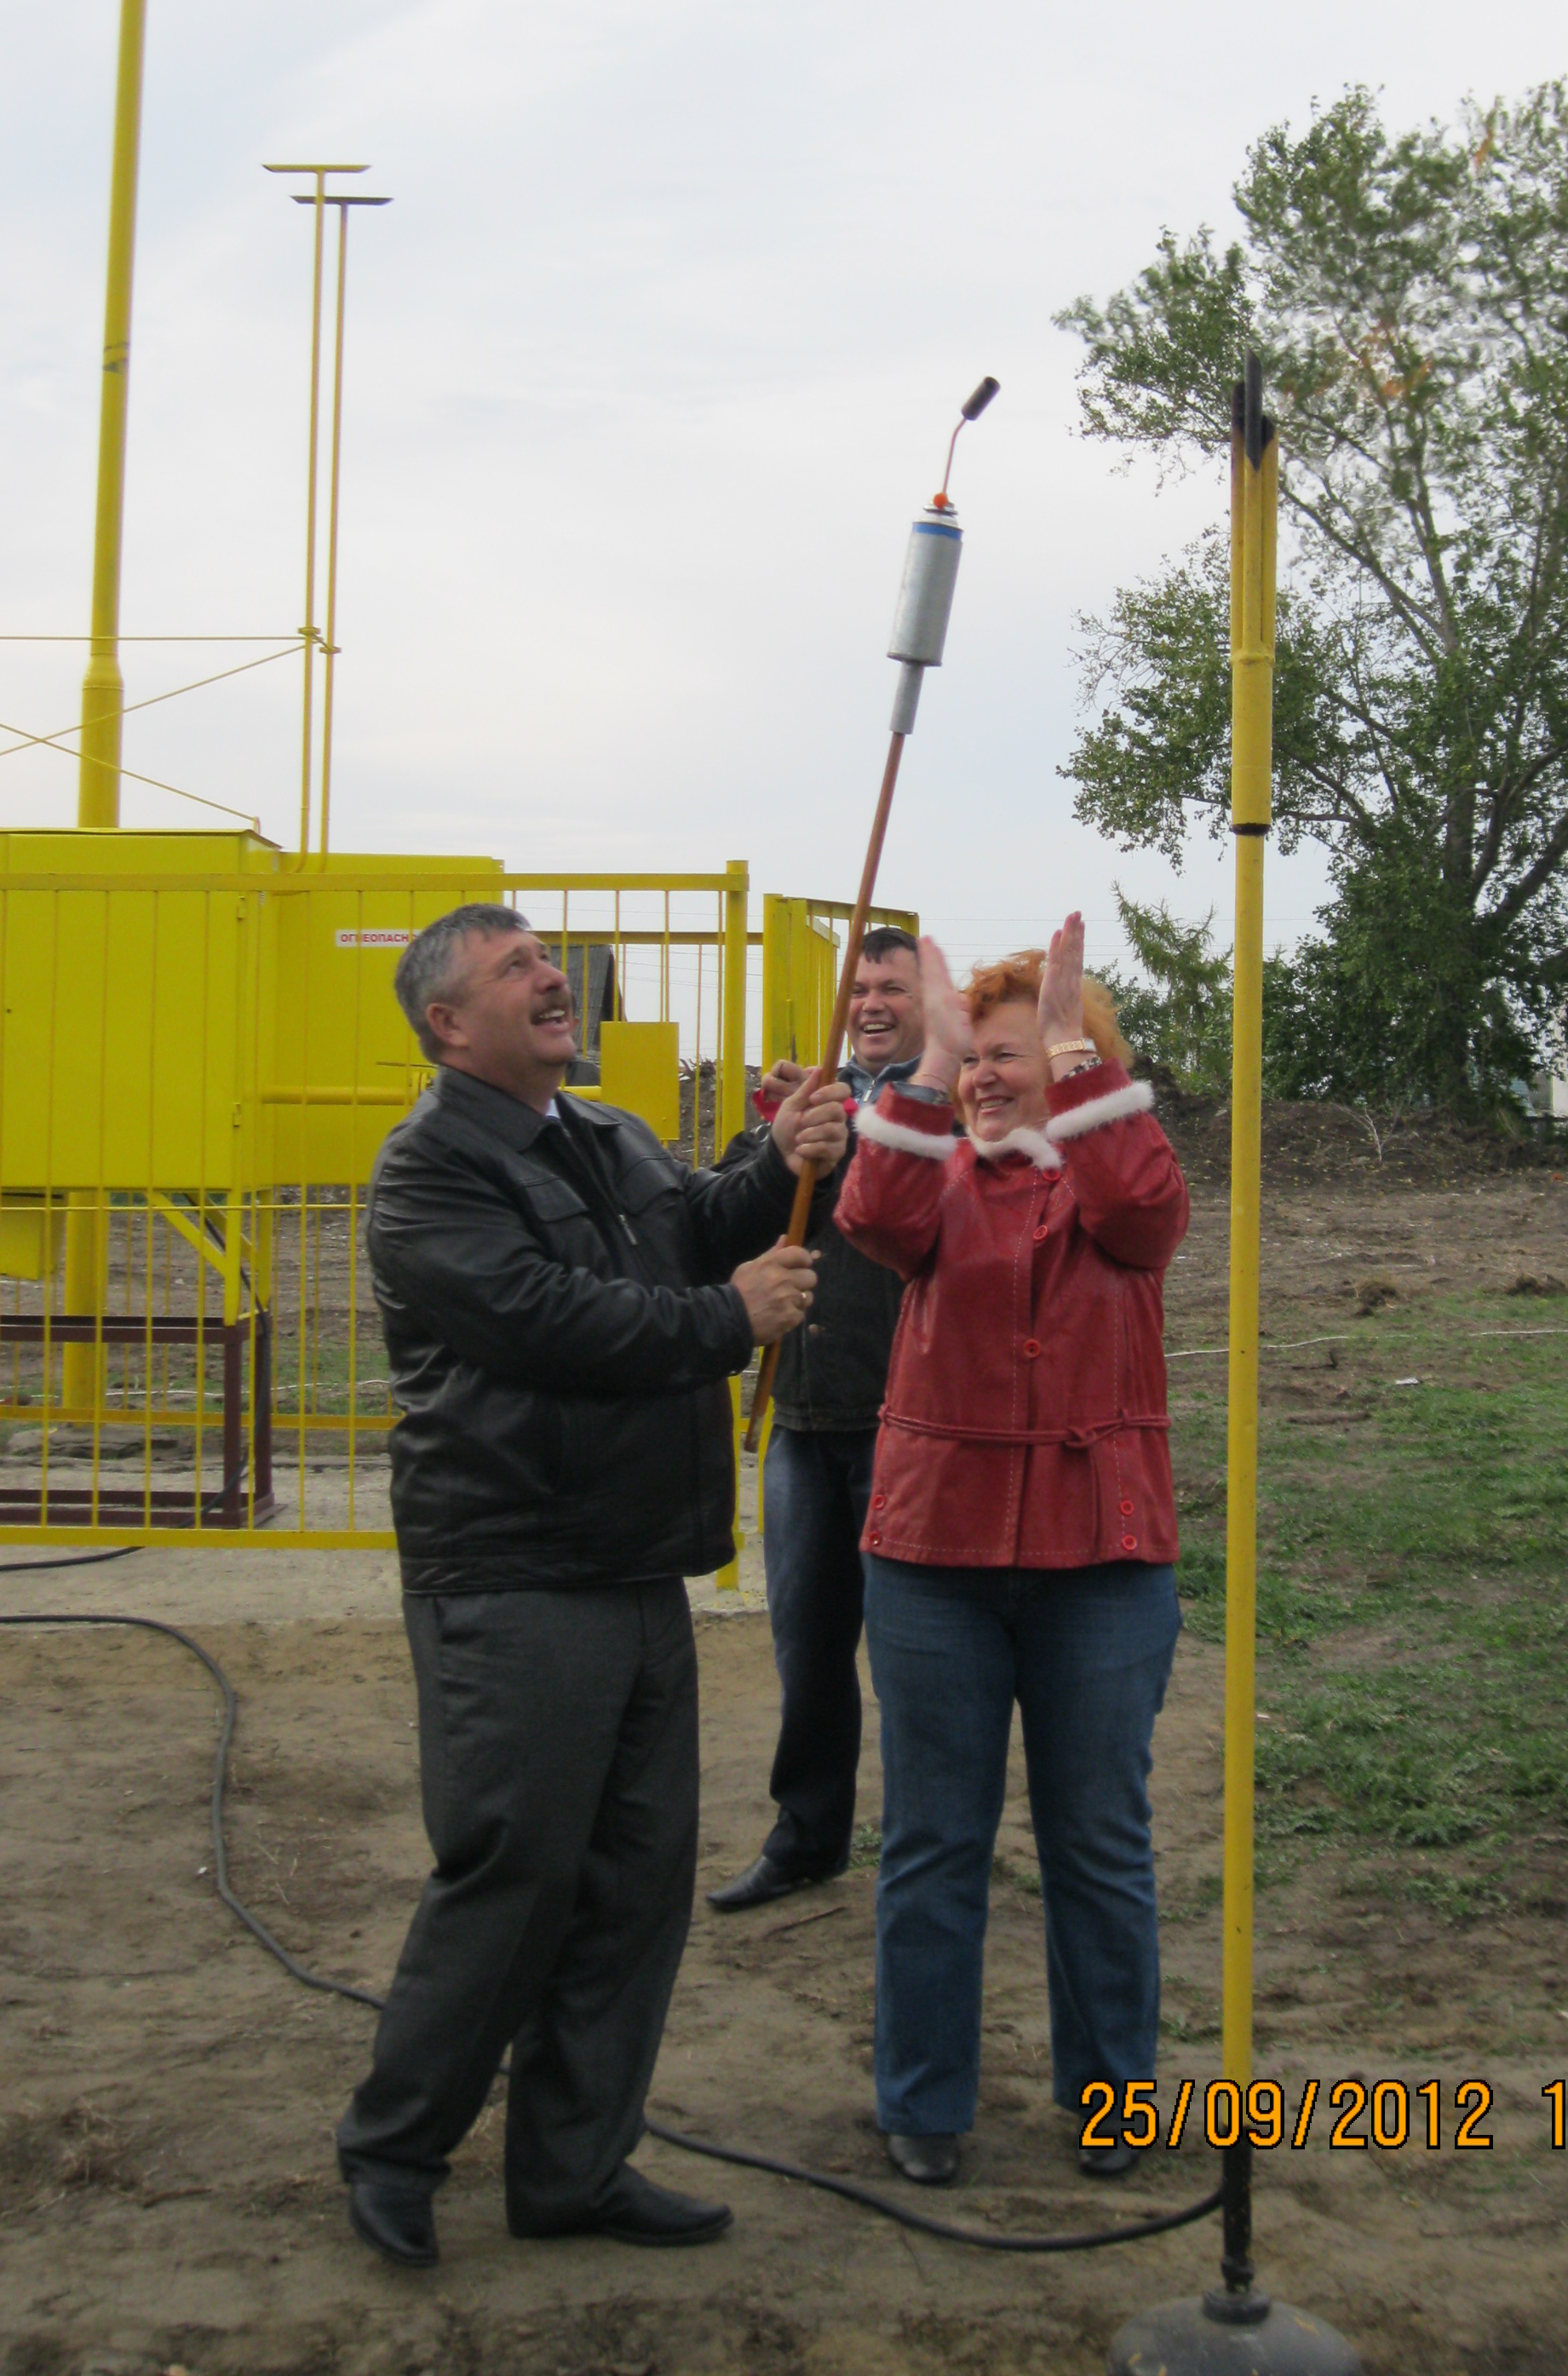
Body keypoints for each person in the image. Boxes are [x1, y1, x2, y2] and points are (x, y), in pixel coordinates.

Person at [333, 903, 849, 2271]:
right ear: (447, 1024)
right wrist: (730, 1319)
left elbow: (694, 1230)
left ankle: (573, 2168)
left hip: (633, 1568)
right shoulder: (428, 1172)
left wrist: (781, 1157)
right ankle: (395, 2149)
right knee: (514, 1876)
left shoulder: (607, 1132)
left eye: (547, 960)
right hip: (511, 1571)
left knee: (635, 1885)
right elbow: (554, 1323)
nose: (554, 978)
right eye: (514, 970)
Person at [835, 912, 1189, 2186]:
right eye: (974, 1053)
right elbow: (871, 1214)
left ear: (1074, 1063)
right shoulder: (932, 1176)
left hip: (1102, 1562)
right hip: (934, 1562)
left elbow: (1147, 1211)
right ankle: (925, 2104)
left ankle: (1113, 2105)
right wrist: (925, 1064)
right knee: (934, 1839)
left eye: (1009, 1053)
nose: (988, 1074)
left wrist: (1070, 1048)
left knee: (1099, 1842)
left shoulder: (1118, 1178)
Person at [708, 928, 931, 1911]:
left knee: (920, 1659)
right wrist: (775, 1136)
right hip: (802, 1421)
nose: (873, 1003)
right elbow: (724, 1212)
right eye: (860, 989)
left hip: (913, 1429)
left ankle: (930, 1853)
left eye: (892, 986)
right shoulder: (803, 1105)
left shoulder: (955, 1106)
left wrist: (878, 1129)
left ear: (931, 1002)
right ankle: (806, 1839)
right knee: (807, 1650)